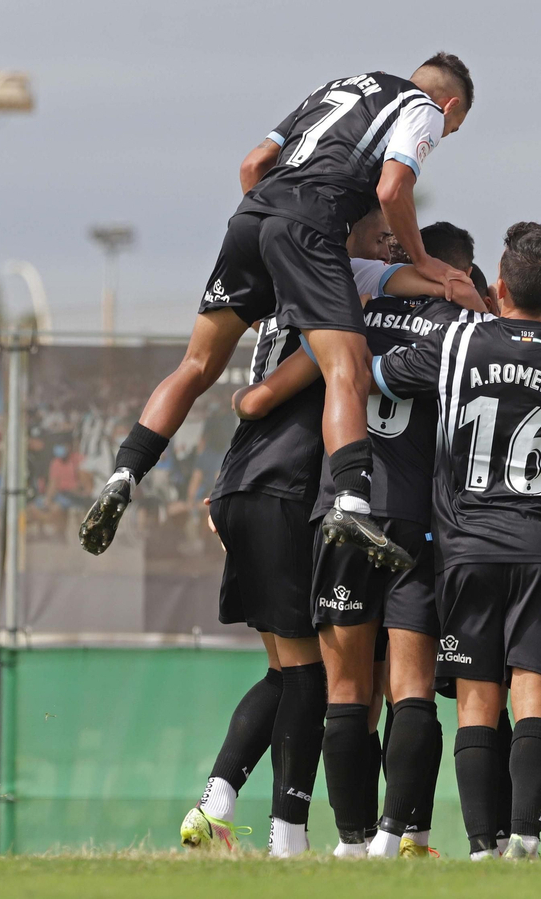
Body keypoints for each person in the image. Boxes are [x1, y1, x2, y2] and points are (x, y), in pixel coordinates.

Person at [79, 54, 479, 570]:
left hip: (251, 216)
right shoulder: (420, 106)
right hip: (310, 224)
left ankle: (122, 476)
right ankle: (353, 502)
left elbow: (253, 164)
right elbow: (391, 187)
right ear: (448, 105)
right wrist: (423, 260)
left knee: (196, 365)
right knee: (347, 366)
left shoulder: (332, 89)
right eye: (452, 127)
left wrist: (272, 244)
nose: (442, 135)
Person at [177, 236, 472, 858]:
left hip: (321, 508)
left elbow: (256, 398)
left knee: (327, 683)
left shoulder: (340, 315)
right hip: (407, 514)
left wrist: (243, 401)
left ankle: (337, 837)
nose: (388, 249)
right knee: (401, 687)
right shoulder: (460, 327)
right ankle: (394, 835)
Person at [372, 222, 541, 860]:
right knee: (536, 690)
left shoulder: (458, 339)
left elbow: (382, 376)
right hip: (540, 547)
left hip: (466, 544)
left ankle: (481, 847)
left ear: (496, 285)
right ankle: (528, 833)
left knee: (477, 699)